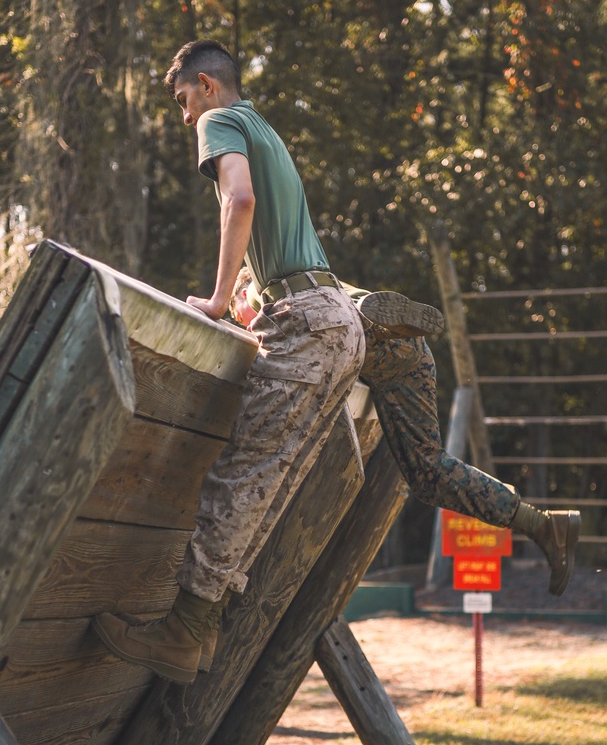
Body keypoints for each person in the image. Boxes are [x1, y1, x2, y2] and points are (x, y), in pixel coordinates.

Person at [93, 40, 366, 683]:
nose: (186, 118)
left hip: (306, 323)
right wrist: (245, 300)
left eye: (184, 100)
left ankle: (185, 631)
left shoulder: (222, 123)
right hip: (334, 320)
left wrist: (217, 300)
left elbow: (236, 201)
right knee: (270, 481)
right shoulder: (266, 129)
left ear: (208, 86)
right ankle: (205, 627)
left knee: (241, 477)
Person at [231, 270, 580, 596]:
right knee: (428, 473)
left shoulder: (264, 290)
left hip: (350, 336)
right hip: (413, 356)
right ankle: (543, 525)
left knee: (319, 332)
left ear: (242, 294)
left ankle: (372, 323)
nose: (243, 327)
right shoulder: (315, 280)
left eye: (237, 316)